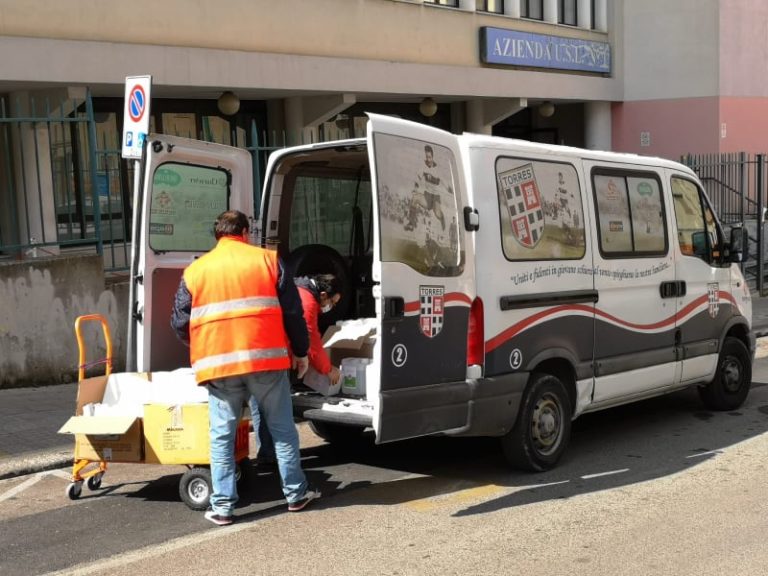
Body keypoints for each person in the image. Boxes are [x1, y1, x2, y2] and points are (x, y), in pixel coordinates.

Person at [171, 209, 319, 527]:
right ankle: (296, 494)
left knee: (222, 437)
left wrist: (205, 342)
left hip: (219, 366)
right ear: (245, 233)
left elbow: (180, 322)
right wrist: (301, 351)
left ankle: (223, 506)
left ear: (217, 235)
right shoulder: (267, 261)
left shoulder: (196, 270)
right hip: (266, 362)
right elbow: (293, 312)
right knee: (281, 430)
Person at [251, 273, 343, 463]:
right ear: (323, 294)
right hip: (272, 357)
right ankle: (282, 462)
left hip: (256, 352)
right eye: (332, 302)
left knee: (259, 406)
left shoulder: (296, 289)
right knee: (278, 410)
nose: (331, 307)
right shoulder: (307, 302)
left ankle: (267, 454)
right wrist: (328, 368)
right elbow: (310, 340)